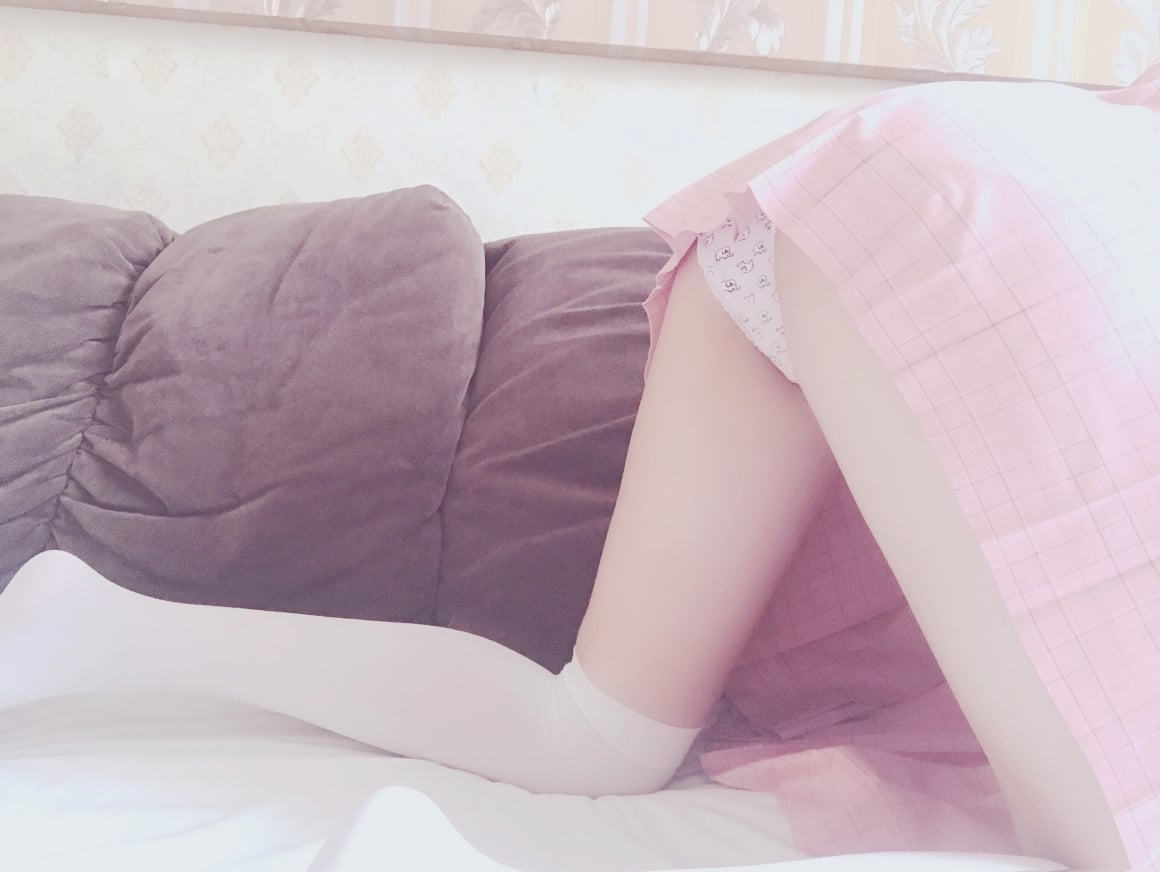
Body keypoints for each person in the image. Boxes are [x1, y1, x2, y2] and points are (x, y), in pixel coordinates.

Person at [2, 66, 1158, 872]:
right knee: (1111, 828)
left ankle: (94, 623)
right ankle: (88, 626)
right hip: (978, 203)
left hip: (858, 188)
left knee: (597, 735)